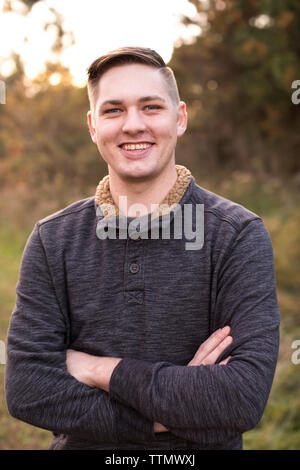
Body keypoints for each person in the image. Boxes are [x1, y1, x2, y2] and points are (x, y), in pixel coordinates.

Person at [5, 47, 280, 450]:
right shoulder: (53, 239)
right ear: (92, 125)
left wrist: (100, 370)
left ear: (179, 117)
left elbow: (241, 397)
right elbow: (28, 389)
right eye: (113, 110)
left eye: (150, 107)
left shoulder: (238, 235)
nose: (133, 125)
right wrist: (164, 418)